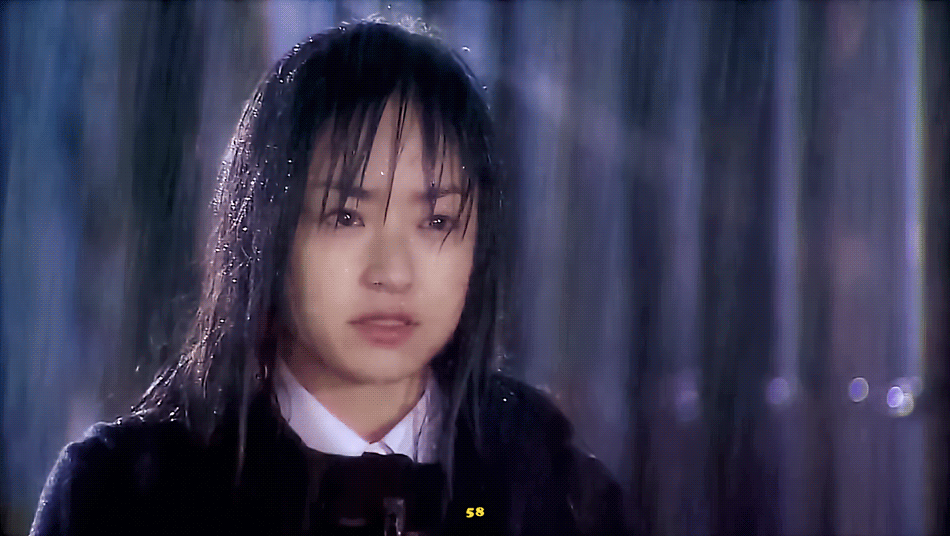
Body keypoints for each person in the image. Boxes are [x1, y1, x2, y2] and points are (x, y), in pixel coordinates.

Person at [30, 19, 627, 536]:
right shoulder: (127, 495)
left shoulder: (548, 487)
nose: (392, 273)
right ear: (267, 231)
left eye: (437, 220)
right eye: (345, 216)